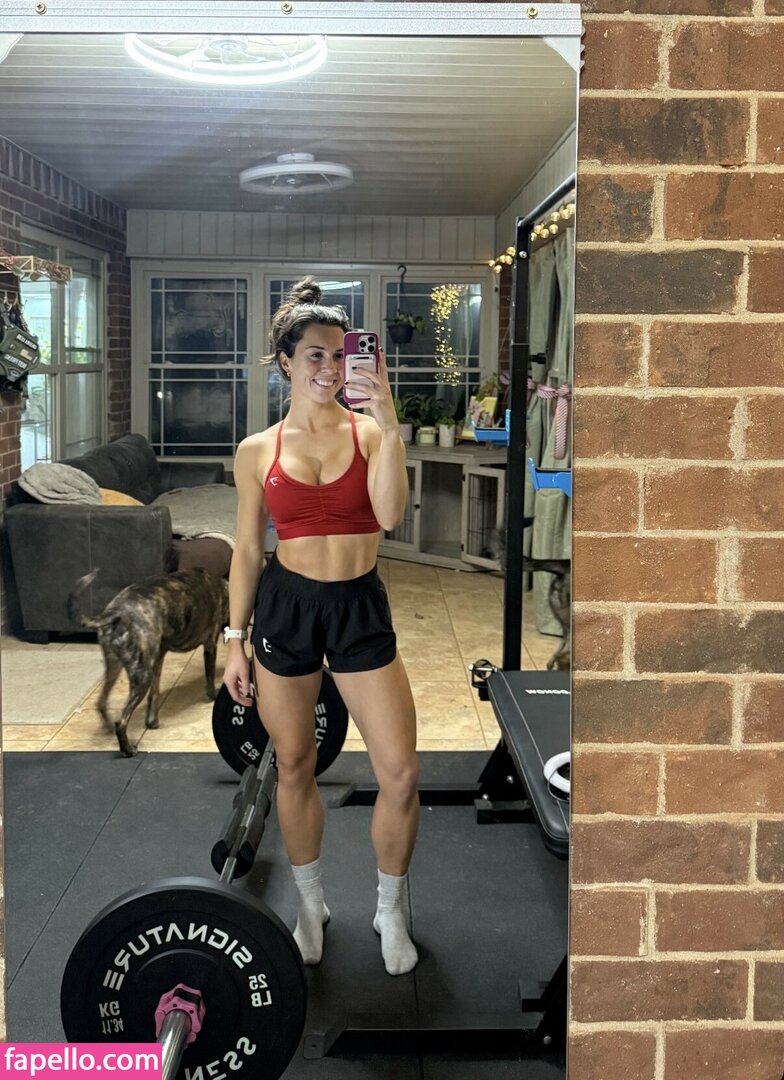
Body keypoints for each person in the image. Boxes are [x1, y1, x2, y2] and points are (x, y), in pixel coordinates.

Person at [223, 278, 419, 976]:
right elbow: (248, 549)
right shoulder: (258, 450)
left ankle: (390, 909)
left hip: (358, 606)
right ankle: (311, 906)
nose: (331, 369)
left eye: (341, 355)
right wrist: (233, 640)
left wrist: (389, 420)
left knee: (400, 772)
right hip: (287, 608)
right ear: (286, 362)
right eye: (315, 355)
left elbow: (390, 515)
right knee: (295, 764)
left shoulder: (370, 432)